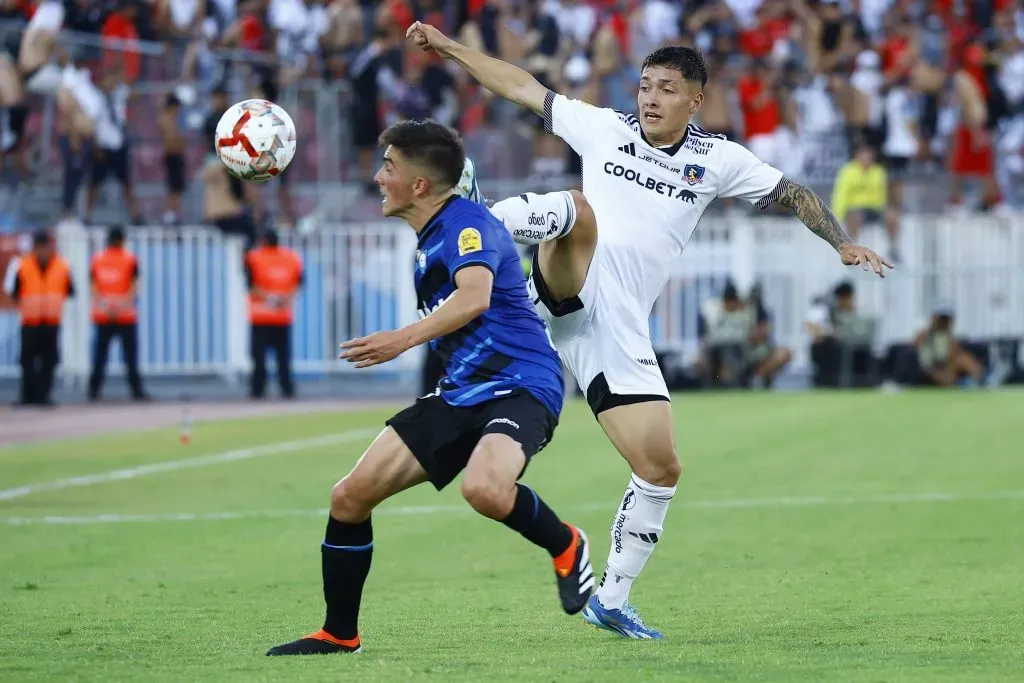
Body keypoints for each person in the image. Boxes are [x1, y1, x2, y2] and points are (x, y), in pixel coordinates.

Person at [407, 21, 892, 639]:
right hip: (563, 286)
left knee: (660, 467)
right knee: (574, 211)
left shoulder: (717, 159)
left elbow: (791, 192)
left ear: (695, 100)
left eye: (666, 89)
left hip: (616, 326)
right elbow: (522, 86)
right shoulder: (605, 130)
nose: (650, 98)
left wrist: (843, 242)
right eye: (644, 86)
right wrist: (449, 47)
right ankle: (481, 224)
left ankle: (612, 596)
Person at [266, 120, 593, 656]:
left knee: (484, 490)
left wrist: (400, 340)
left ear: (419, 185)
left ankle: (566, 543)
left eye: (389, 167)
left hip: (521, 384)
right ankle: (339, 633)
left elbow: (474, 298)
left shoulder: (468, 225)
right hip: (462, 390)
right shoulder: (432, 230)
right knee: (349, 497)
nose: (377, 177)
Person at [7, 231, 74, 406]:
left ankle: (43, 396)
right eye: (39, 247)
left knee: (49, 360)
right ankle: (27, 396)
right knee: (27, 361)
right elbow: (15, 292)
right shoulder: (23, 265)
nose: (42, 251)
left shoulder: (62, 266)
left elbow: (69, 290)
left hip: (51, 321)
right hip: (30, 321)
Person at [87, 225, 147, 401]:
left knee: (100, 356)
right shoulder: (130, 259)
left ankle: (93, 391)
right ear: (122, 240)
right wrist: (121, 305)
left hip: (103, 314)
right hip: (125, 314)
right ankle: (136, 391)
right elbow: (135, 286)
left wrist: (104, 305)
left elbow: (93, 286)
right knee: (130, 357)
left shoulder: (97, 259)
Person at [244, 229, 302, 399]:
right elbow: (298, 284)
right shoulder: (291, 258)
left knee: (258, 358)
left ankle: (257, 390)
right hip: (282, 315)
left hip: (260, 315)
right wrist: (284, 299)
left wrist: (270, 299)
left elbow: (251, 285)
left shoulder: (254, 257)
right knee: (283, 357)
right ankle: (287, 389)